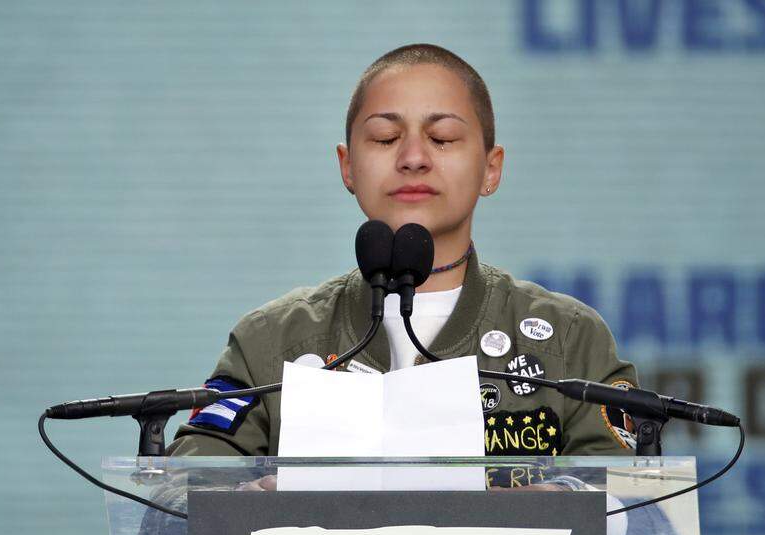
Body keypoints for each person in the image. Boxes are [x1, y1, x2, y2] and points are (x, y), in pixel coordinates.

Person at [168, 43, 637, 459]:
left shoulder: (569, 341)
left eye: (443, 138)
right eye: (386, 138)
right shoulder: (271, 341)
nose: (413, 157)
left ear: (491, 169)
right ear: (348, 166)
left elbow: (633, 509)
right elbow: (179, 501)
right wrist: (263, 498)